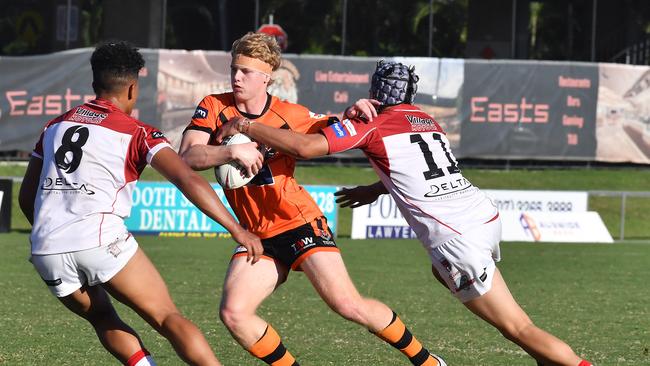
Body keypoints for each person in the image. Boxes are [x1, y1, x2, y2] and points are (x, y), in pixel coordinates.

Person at [213, 60, 594, 366]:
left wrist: (247, 125)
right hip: (482, 215)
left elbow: (306, 147)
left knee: (518, 327)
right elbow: (420, 168)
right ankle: (548, 359)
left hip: (455, 237)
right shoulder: (427, 120)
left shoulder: (374, 123)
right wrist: (374, 188)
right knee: (443, 275)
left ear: (376, 92)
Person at [179, 33, 445, 366]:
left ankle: (427, 361)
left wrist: (351, 113)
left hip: (299, 221)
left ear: (267, 77)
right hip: (257, 232)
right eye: (234, 69)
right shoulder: (214, 106)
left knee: (347, 304)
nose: (236, 77)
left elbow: (335, 127)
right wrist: (231, 150)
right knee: (234, 313)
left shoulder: (291, 113)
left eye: (246, 72)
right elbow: (188, 157)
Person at [18, 41, 263, 366]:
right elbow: (187, 178)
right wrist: (238, 229)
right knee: (166, 317)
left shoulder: (54, 126)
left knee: (103, 318)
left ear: (95, 84)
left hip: (47, 248)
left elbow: (26, 197)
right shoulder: (138, 132)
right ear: (133, 88)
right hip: (100, 240)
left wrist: (56, 236)